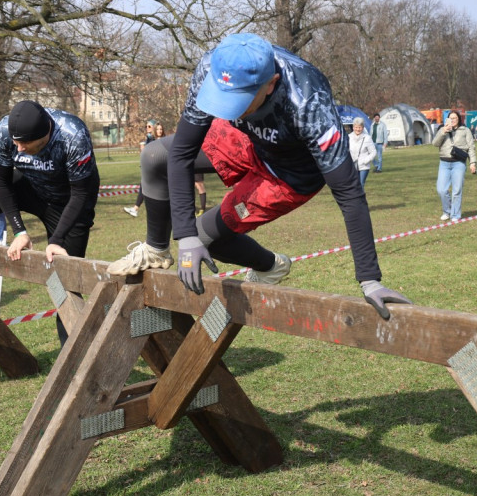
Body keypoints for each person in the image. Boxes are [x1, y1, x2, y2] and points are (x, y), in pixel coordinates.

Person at [105, 32, 410, 320]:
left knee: (204, 238)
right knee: (155, 156)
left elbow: (349, 192)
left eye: (235, 100)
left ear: (270, 84)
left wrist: (369, 279)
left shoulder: (308, 102)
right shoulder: (214, 66)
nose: (226, 108)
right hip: (247, 137)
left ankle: (270, 265)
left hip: (288, 173)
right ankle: (156, 250)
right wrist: (182, 237)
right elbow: (182, 151)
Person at [0, 100, 100, 344]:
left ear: (44, 136)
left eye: (25, 143)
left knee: (64, 284)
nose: (18, 148)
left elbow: (82, 194)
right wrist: (19, 231)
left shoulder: (73, 135)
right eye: (15, 142)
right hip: (29, 186)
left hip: (68, 203)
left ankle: (72, 356)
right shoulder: (4, 131)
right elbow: (2, 182)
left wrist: (56, 239)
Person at [432, 110, 477, 221]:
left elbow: (471, 147)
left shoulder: (465, 130)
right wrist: (443, 131)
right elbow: (435, 143)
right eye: (450, 118)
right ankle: (447, 211)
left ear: (458, 119)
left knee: (457, 190)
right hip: (444, 163)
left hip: (459, 163)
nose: (452, 120)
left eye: (454, 118)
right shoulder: (442, 129)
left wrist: (472, 163)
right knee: (441, 189)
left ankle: (455, 215)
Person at [125, 122, 163, 217]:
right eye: (146, 126)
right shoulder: (150, 138)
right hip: (150, 168)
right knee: (144, 187)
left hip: (159, 169)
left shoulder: (157, 139)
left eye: (149, 126)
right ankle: (136, 208)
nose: (147, 128)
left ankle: (136, 208)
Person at [348, 117, 376, 187]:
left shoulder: (367, 138)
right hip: (352, 165)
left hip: (364, 166)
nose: (358, 129)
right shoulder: (349, 137)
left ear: (363, 127)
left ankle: (361, 198)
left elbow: (373, 152)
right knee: (353, 184)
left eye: (360, 127)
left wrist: (366, 160)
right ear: (353, 127)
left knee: (361, 184)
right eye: (356, 127)